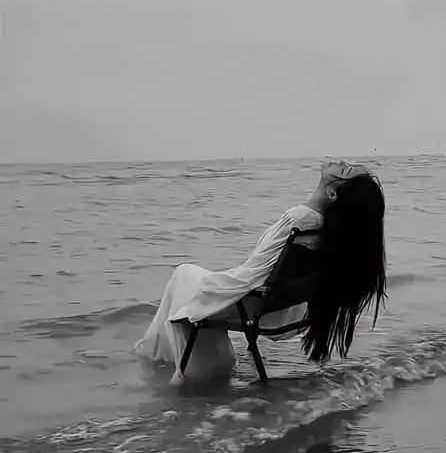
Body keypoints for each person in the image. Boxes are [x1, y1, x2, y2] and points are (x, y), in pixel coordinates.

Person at [134, 161, 386, 380]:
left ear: (332, 194)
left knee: (184, 273)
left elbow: (251, 272)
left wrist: (216, 288)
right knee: (187, 277)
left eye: (344, 170)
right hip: (277, 307)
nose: (339, 162)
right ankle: (158, 354)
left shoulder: (300, 219)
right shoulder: (327, 230)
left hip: (252, 306)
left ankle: (159, 359)